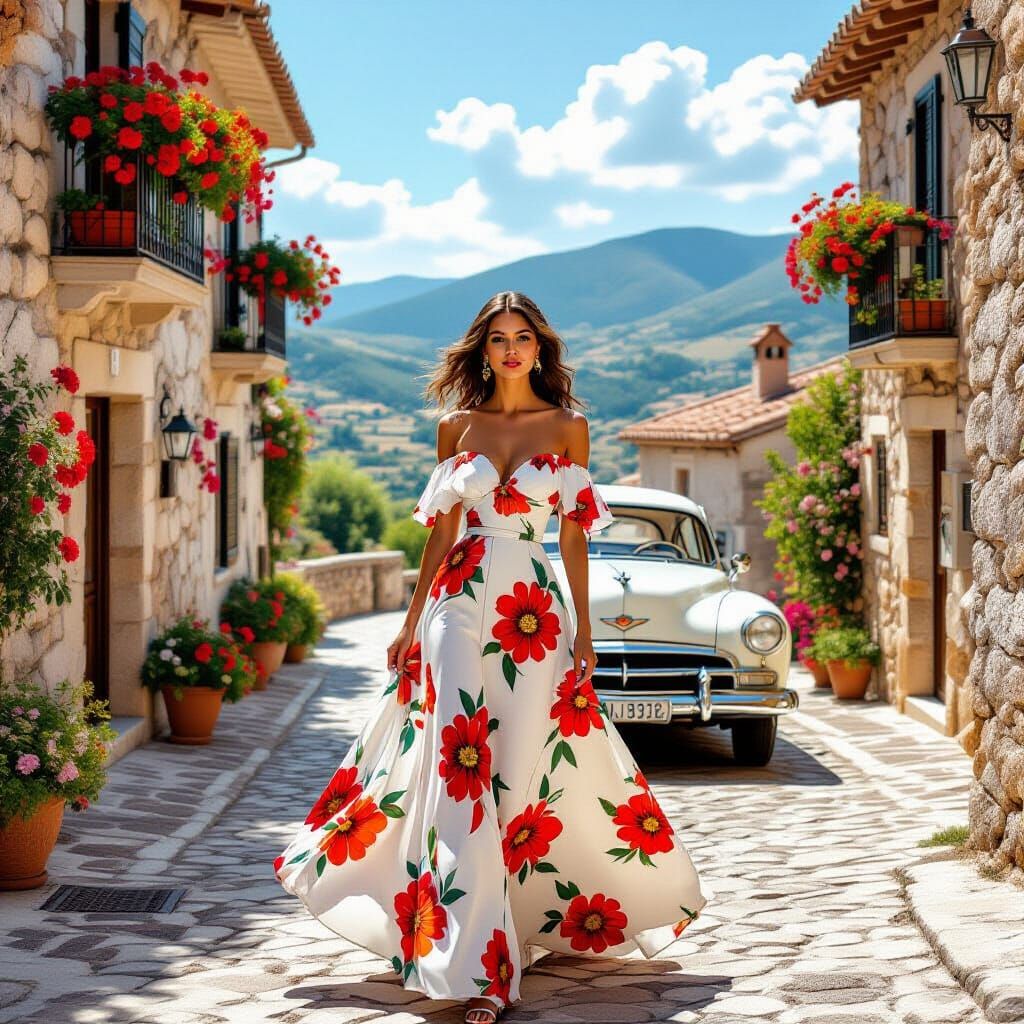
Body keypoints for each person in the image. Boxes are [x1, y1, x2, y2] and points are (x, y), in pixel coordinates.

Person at [274, 291, 709, 1023]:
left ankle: (510, 919)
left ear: (541, 348)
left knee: (513, 775)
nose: (511, 350)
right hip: (458, 600)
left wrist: (583, 628)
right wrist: (412, 624)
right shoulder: (455, 428)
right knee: (457, 768)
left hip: (532, 615)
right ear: (483, 350)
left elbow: (572, 535)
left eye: (524, 338)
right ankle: (477, 968)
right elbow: (440, 535)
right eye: (499, 339)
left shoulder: (570, 427)